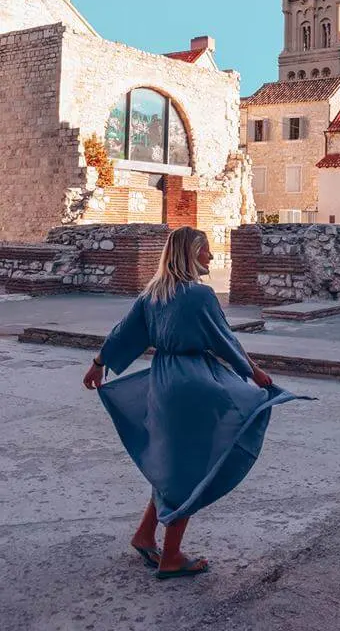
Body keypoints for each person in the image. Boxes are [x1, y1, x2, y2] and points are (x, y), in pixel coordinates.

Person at [83, 226, 305, 579]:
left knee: (172, 462)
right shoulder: (200, 296)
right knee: (189, 467)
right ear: (191, 254)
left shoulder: (153, 294)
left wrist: (98, 365)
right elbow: (224, 340)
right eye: (207, 251)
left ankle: (144, 535)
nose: (212, 257)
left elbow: (122, 333)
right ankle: (171, 556)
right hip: (191, 383)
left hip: (162, 380)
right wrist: (256, 374)